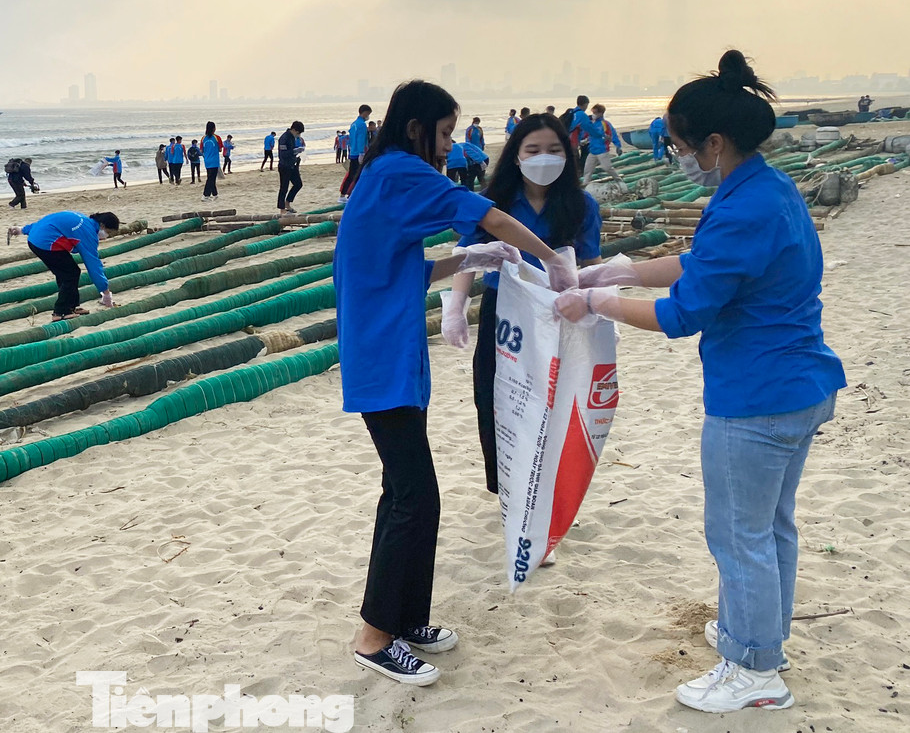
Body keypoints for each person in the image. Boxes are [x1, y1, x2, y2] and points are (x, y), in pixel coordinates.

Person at [557, 50, 845, 714]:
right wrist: (613, 273)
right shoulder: (765, 190)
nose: (676, 156)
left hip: (758, 399)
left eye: (680, 146)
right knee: (769, 527)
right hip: (797, 384)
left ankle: (753, 671)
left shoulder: (745, 209)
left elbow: (685, 314)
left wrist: (594, 304)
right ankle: (758, 633)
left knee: (738, 535)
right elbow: (696, 264)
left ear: (714, 143)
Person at [336, 80, 579, 686]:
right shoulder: (400, 171)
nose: (448, 146)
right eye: (445, 133)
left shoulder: (384, 173)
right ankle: (373, 636)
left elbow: (399, 267)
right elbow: (490, 215)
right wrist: (550, 259)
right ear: (418, 128)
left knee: (412, 494)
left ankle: (406, 619)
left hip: (391, 351)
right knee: (412, 497)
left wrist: (470, 260)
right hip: (381, 357)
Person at [443, 113, 602, 498]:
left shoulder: (581, 206)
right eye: (533, 150)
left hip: (557, 311)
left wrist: (598, 307)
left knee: (551, 401)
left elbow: (591, 265)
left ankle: (543, 492)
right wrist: (456, 306)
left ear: (568, 155)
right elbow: (468, 254)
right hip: (503, 312)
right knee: (494, 396)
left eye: (553, 150)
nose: (543, 158)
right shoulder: (492, 205)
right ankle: (508, 488)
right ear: (516, 155)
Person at [9, 211, 121, 321]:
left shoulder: (83, 219)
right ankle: (61, 311)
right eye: (108, 232)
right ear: (102, 225)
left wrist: (23, 230)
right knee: (70, 273)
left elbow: (50, 220)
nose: (106, 236)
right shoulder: (88, 232)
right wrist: (106, 292)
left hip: (38, 239)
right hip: (45, 243)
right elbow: (93, 264)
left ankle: (72, 306)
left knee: (66, 272)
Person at [575, 104, 625, 183]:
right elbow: (588, 134)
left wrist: (618, 146)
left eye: (595, 113)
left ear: (600, 113)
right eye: (593, 112)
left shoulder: (605, 124)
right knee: (587, 170)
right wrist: (583, 141)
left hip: (602, 150)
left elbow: (613, 135)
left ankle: (619, 180)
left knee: (607, 168)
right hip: (592, 150)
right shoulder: (592, 123)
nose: (593, 114)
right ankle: (585, 185)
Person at [340, 105, 371, 203]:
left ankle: (346, 194)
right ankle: (347, 194)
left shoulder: (353, 124)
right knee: (357, 175)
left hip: (353, 151)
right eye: (368, 114)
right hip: (359, 153)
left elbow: (351, 139)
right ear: (364, 112)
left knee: (353, 174)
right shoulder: (361, 125)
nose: (368, 116)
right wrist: (362, 152)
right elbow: (361, 139)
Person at [276, 121, 304, 214]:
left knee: (298, 184)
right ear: (293, 130)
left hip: (292, 164)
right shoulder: (284, 138)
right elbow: (283, 154)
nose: (298, 135)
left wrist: (299, 151)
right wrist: (294, 151)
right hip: (284, 166)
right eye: (298, 133)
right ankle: (282, 209)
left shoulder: (293, 137)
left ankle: (287, 203)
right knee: (284, 187)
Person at [201, 122, 222, 202]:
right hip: (214, 160)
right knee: (211, 178)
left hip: (207, 160)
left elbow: (201, 150)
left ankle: (215, 194)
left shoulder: (203, 138)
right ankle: (205, 195)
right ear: (214, 128)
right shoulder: (217, 138)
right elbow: (220, 149)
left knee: (211, 178)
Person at [564, 96, 590, 160]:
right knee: (578, 159)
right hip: (574, 140)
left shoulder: (571, 112)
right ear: (585, 104)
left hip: (566, 138)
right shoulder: (582, 114)